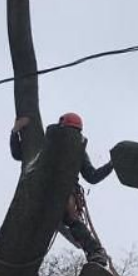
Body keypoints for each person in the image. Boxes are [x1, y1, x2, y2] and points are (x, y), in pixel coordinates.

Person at [10, 112, 113, 267]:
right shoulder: (49, 142)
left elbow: (92, 176)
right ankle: (28, 267)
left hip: (63, 193)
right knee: (45, 227)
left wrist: (112, 165)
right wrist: (15, 132)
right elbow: (20, 154)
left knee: (69, 221)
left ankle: (96, 252)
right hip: (44, 191)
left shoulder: (76, 149)